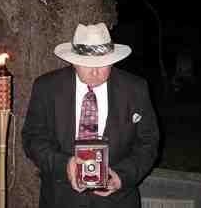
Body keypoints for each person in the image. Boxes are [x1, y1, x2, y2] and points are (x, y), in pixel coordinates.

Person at [22, 22, 159, 208]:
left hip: (118, 201)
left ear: (112, 59)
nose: (95, 72)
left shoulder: (135, 89)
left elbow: (148, 143)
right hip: (61, 198)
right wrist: (64, 165)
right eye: (87, 64)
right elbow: (32, 138)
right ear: (72, 60)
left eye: (102, 64)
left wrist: (121, 176)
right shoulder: (47, 88)